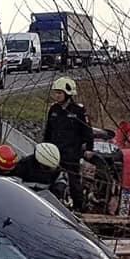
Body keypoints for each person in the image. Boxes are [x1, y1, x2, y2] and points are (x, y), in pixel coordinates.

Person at [43, 77, 94, 212]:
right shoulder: (54, 109)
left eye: (60, 93)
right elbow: (48, 131)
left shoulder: (78, 111)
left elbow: (87, 131)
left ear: (68, 94)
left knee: (74, 181)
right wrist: (44, 148)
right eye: (56, 93)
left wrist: (89, 148)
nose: (57, 95)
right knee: (48, 179)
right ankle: (47, 203)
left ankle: (79, 208)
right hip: (54, 153)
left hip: (71, 153)